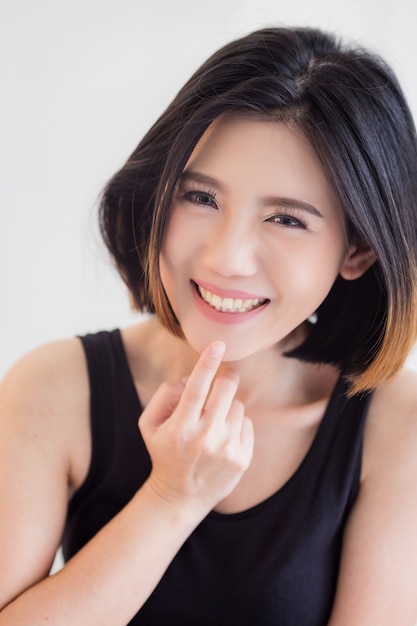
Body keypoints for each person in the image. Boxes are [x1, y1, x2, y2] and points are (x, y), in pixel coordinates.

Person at [1, 25, 417, 626]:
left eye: (286, 219)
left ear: (357, 251)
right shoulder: (53, 389)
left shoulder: (393, 423)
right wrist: (172, 499)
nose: (226, 258)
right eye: (201, 198)